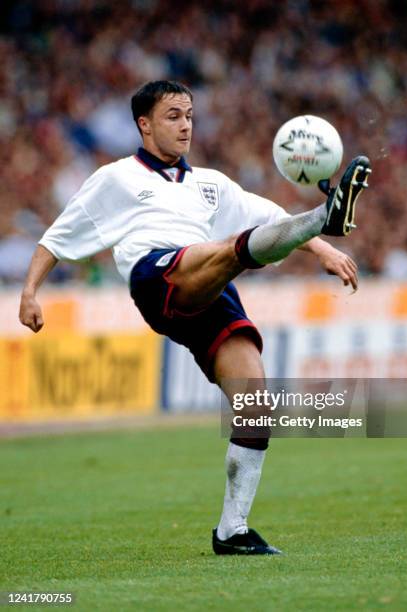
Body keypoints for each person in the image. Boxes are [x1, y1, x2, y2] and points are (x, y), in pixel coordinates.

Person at [19, 80, 371, 555]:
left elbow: (269, 215)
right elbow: (56, 238)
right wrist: (30, 291)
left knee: (255, 407)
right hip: (157, 274)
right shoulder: (116, 178)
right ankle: (323, 214)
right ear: (144, 125)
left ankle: (233, 531)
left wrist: (324, 248)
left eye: (189, 114)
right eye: (172, 116)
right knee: (231, 248)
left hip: (211, 284)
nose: (185, 124)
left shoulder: (211, 184)